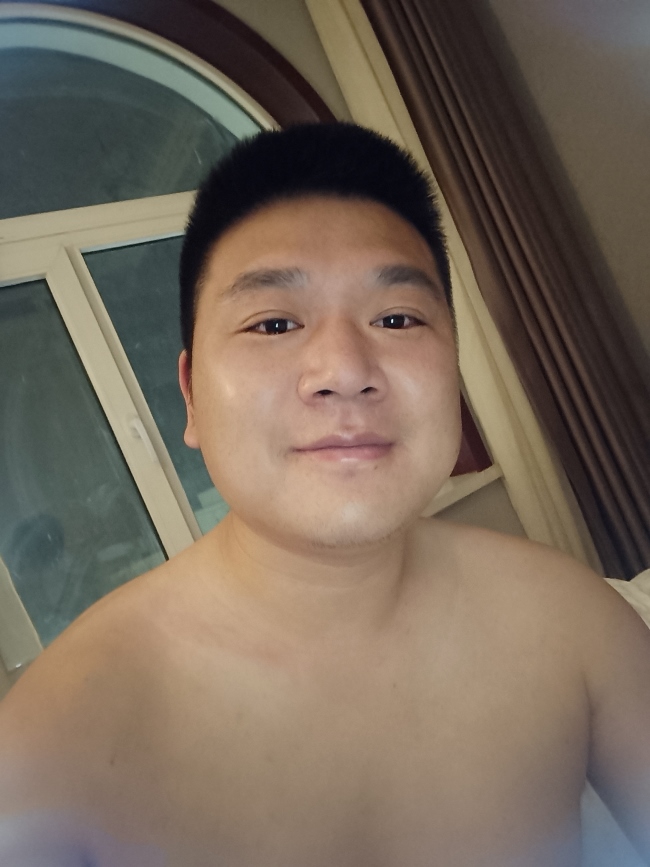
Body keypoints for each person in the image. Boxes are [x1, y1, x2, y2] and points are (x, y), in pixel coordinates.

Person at [0, 123, 649, 867]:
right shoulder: (45, 758)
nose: (344, 370)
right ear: (191, 396)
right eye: (274, 322)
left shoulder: (575, 624)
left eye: (397, 318)